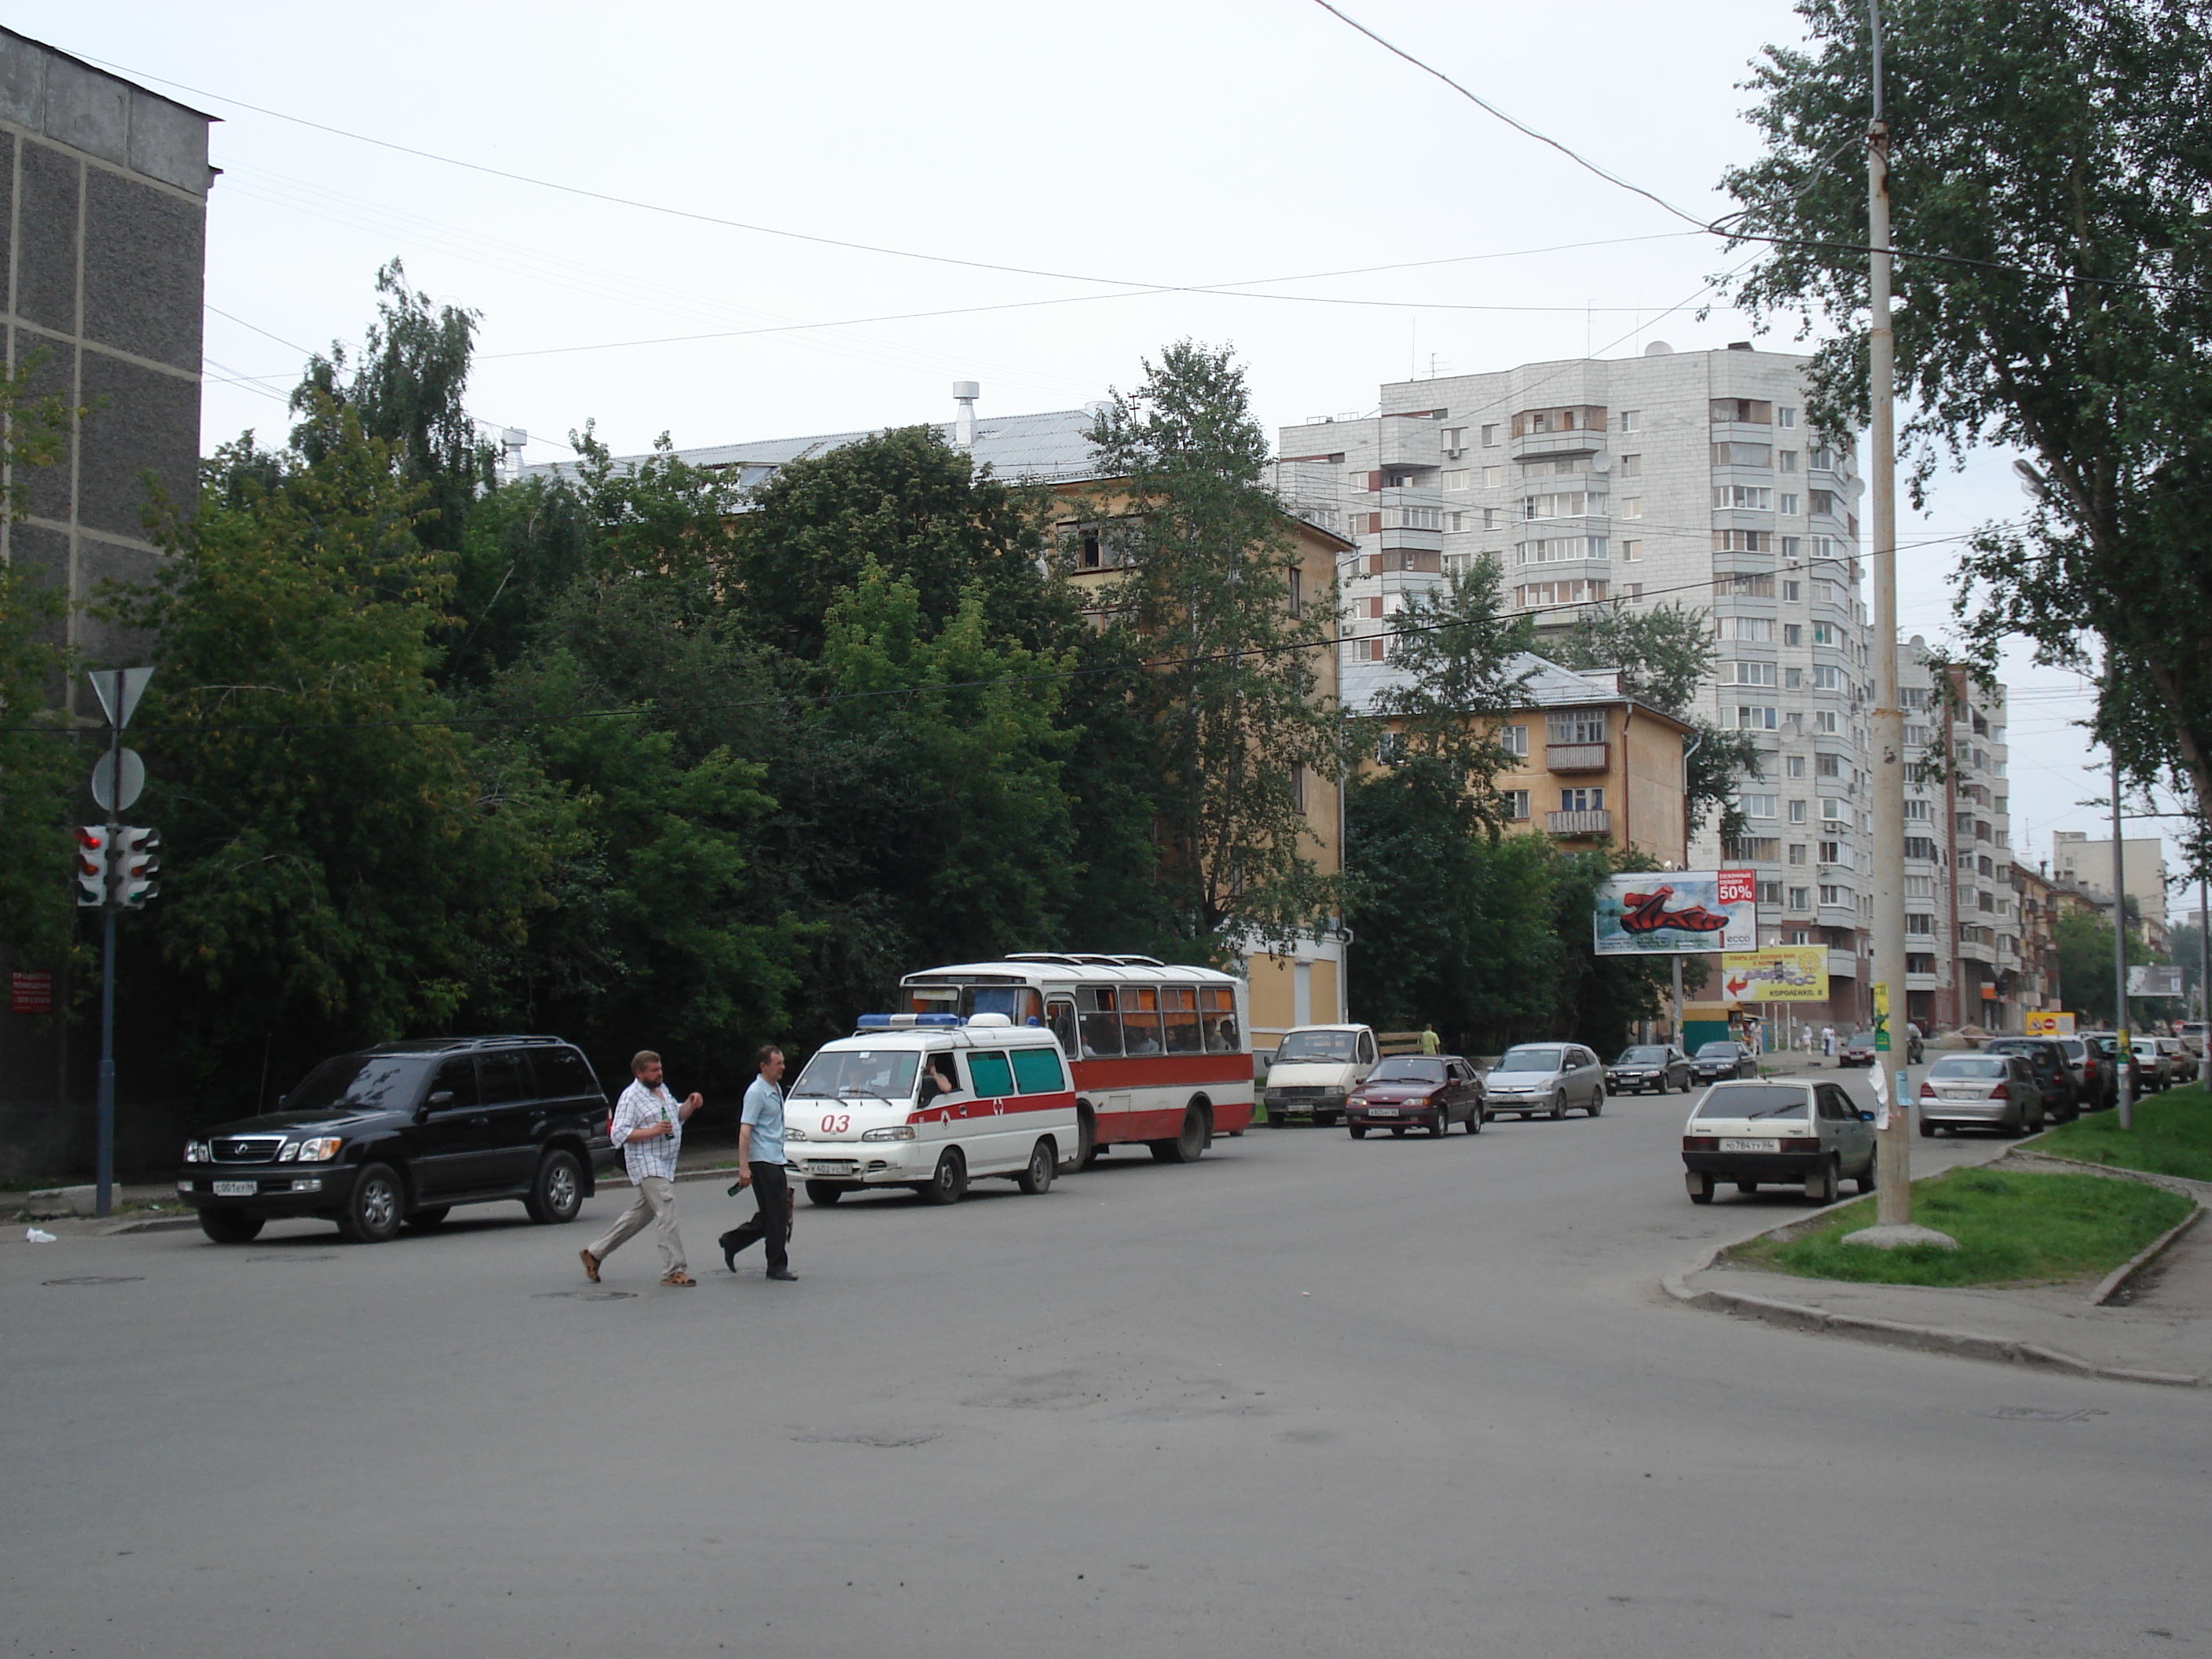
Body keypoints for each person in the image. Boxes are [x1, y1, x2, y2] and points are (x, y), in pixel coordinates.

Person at [580, 1050, 701, 1287]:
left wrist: (691, 1103)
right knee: (668, 1211)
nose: (659, 1073)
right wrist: (653, 1131)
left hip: (665, 1162)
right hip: (646, 1163)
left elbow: (676, 1115)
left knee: (639, 1215)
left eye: (660, 1069)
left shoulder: (661, 1091)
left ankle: (595, 1253)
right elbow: (618, 1134)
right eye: (654, 1070)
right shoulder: (631, 1097)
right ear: (639, 1073)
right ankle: (674, 1270)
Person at [720, 1044, 797, 1280]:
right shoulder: (756, 1092)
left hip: (774, 1157)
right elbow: (745, 1130)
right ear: (763, 1066)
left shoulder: (774, 1089)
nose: (782, 1067)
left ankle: (732, 1241)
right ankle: (776, 1265)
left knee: (771, 1214)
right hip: (763, 1160)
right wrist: (744, 1166)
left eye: (783, 1062)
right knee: (778, 1216)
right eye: (778, 1064)